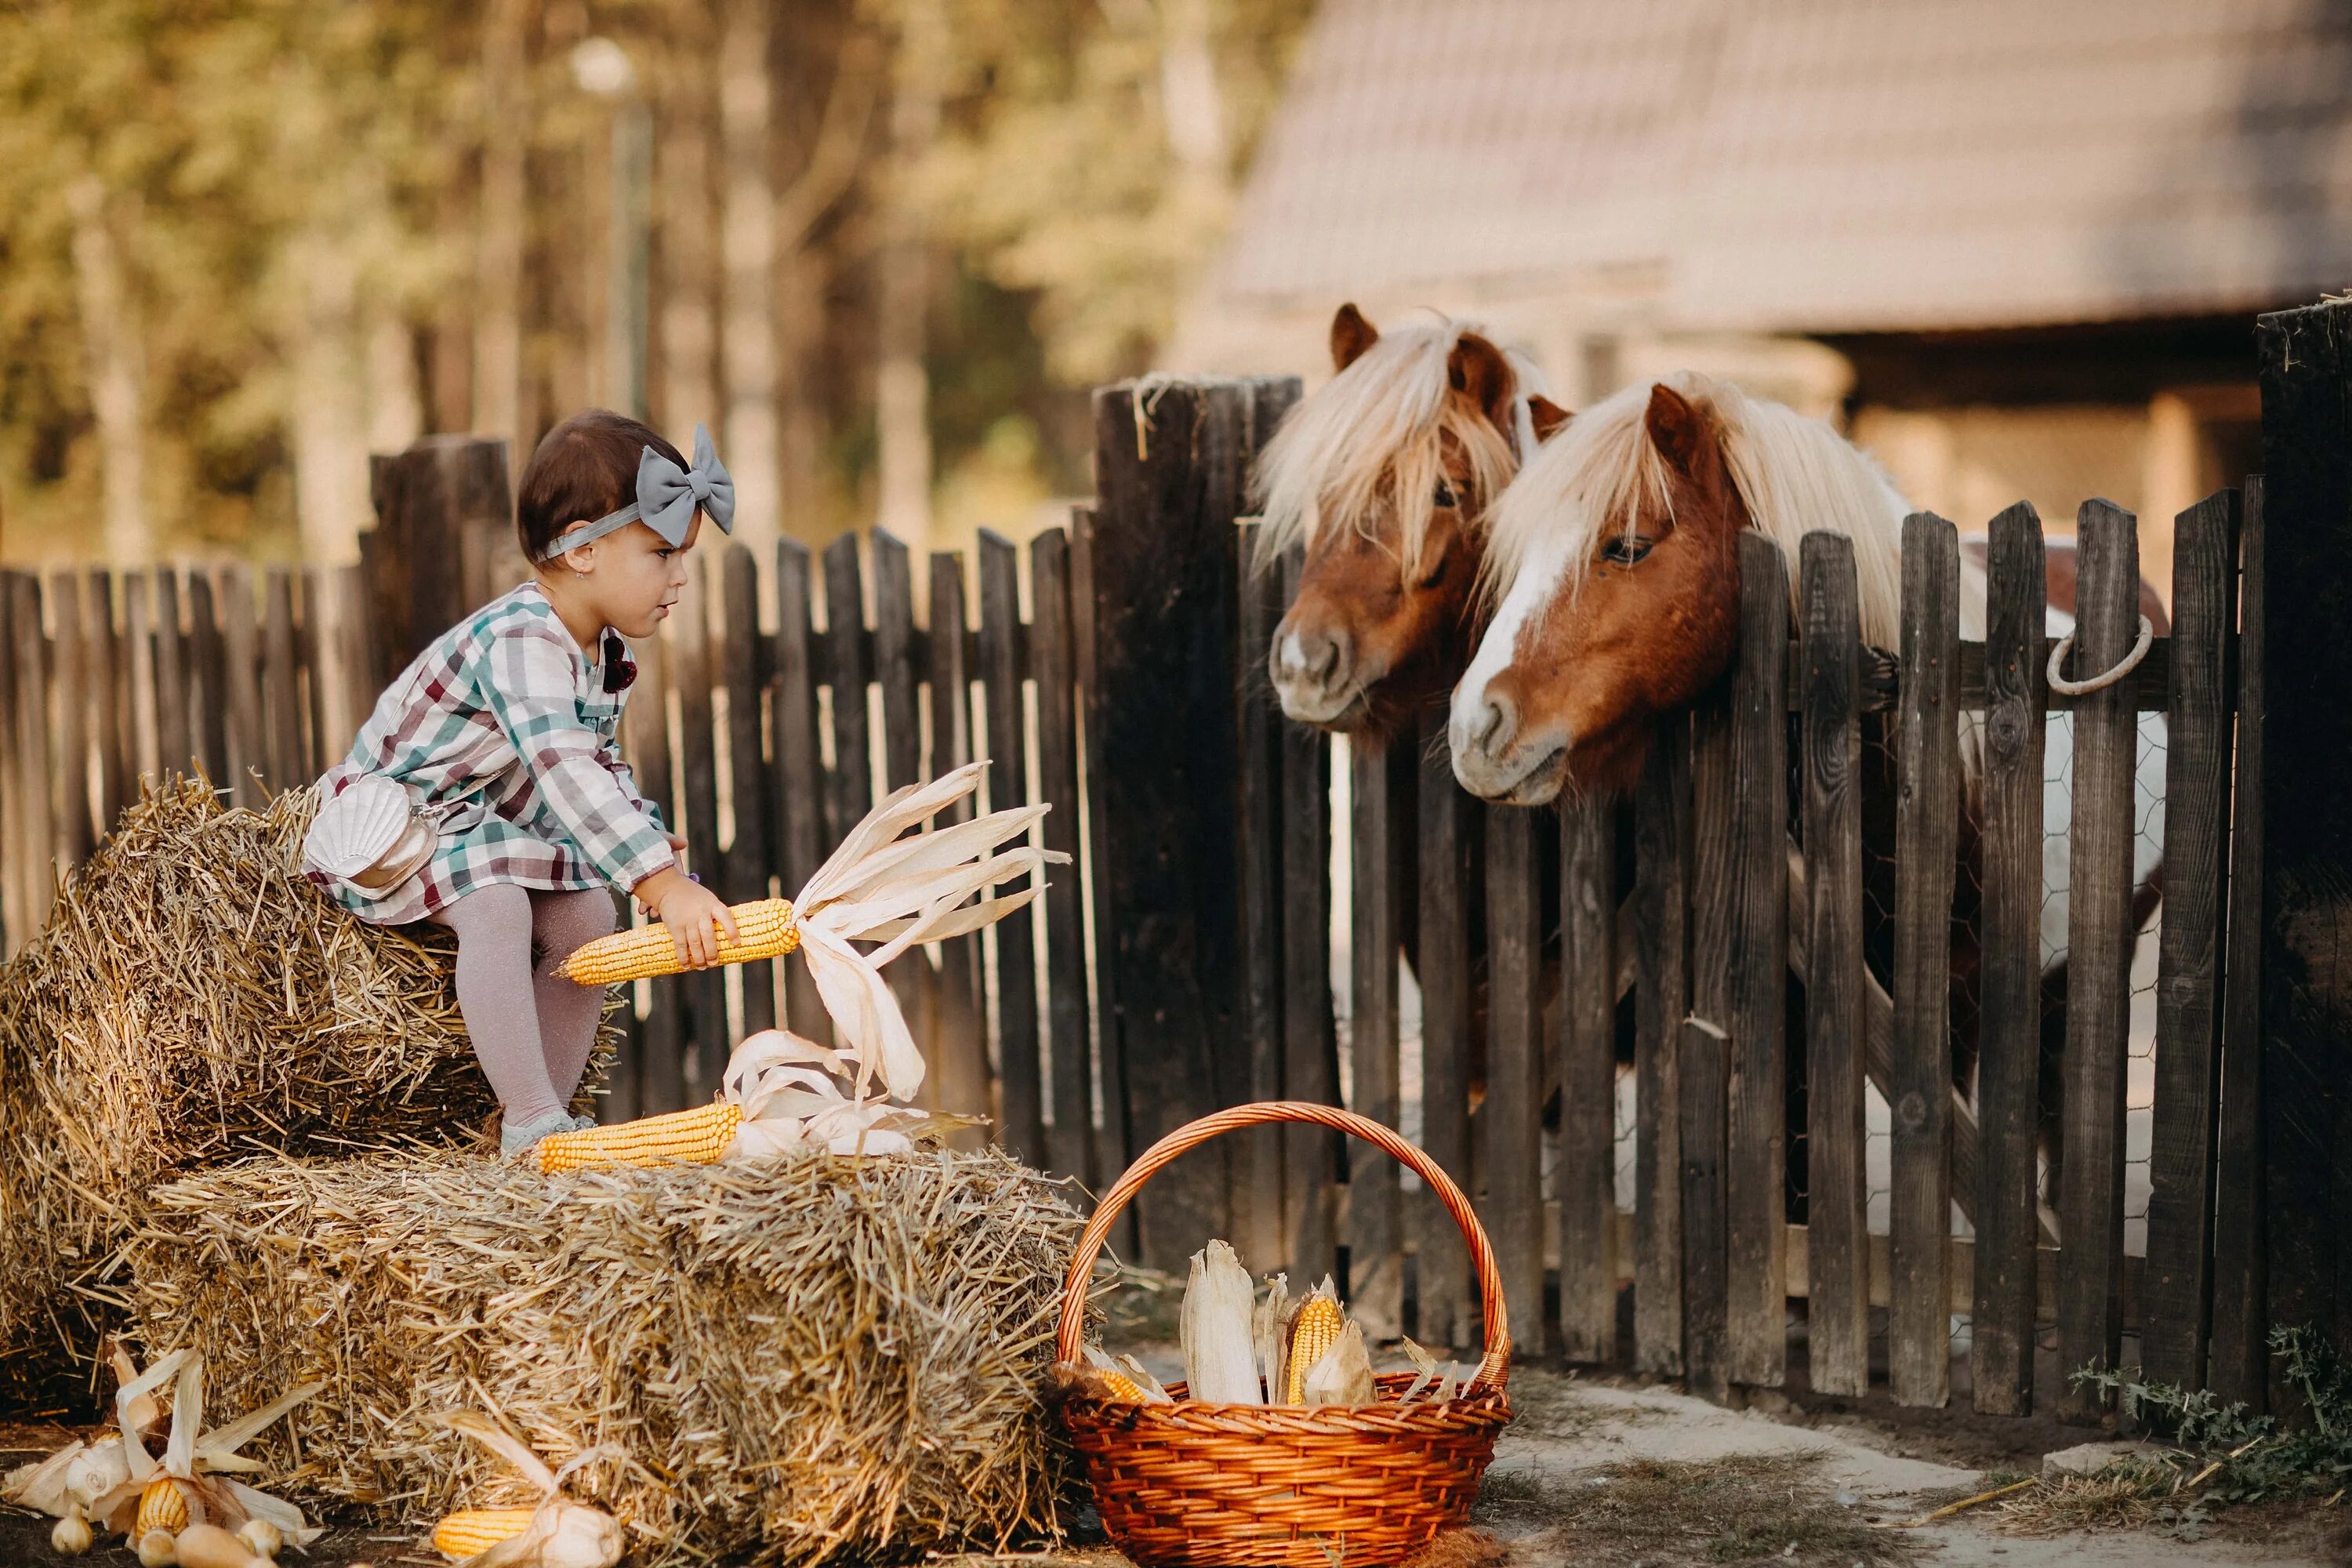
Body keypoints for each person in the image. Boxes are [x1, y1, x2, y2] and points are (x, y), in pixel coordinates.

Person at [303, 410, 740, 1160]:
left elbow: (595, 763)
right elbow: (562, 766)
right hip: (400, 826)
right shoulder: (521, 638)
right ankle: (532, 1116)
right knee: (498, 905)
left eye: (684, 556)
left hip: (481, 825)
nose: (681, 576)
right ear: (582, 548)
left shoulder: (595, 649)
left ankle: (545, 1141)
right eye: (662, 553)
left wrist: (639, 834)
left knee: (587, 914)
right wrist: (661, 886)